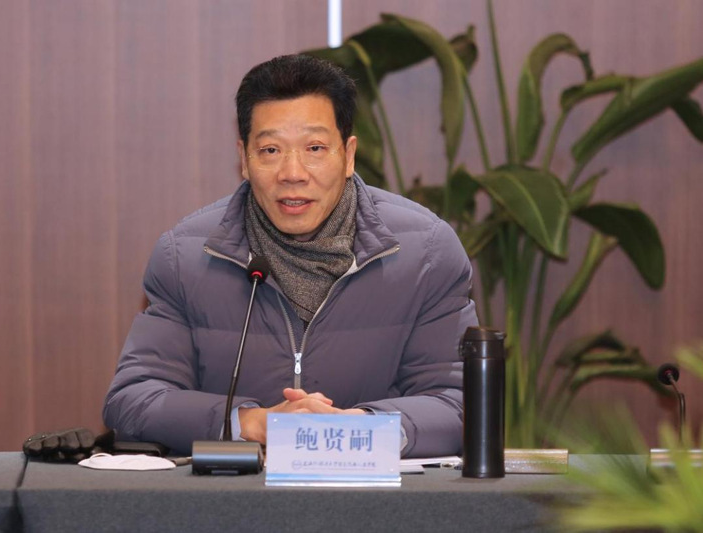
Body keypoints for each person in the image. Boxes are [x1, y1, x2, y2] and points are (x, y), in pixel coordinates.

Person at [103, 54, 477, 458]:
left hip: (372, 495)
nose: (292, 173)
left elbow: (462, 405)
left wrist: (357, 428)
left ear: (348, 155)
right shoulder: (186, 257)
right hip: (233, 495)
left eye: (315, 148)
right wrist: (252, 423)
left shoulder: (426, 252)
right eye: (270, 150)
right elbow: (133, 400)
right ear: (244, 159)